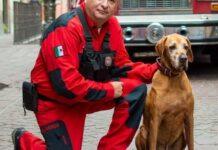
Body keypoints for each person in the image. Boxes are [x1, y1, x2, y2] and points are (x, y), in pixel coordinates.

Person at [11, 0, 159, 149]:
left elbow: (122, 66)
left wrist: (158, 68)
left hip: (86, 96)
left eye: (112, 1)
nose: (105, 5)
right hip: (57, 102)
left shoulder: (112, 24)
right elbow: (66, 85)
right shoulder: (66, 27)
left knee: (135, 90)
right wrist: (109, 90)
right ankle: (23, 140)